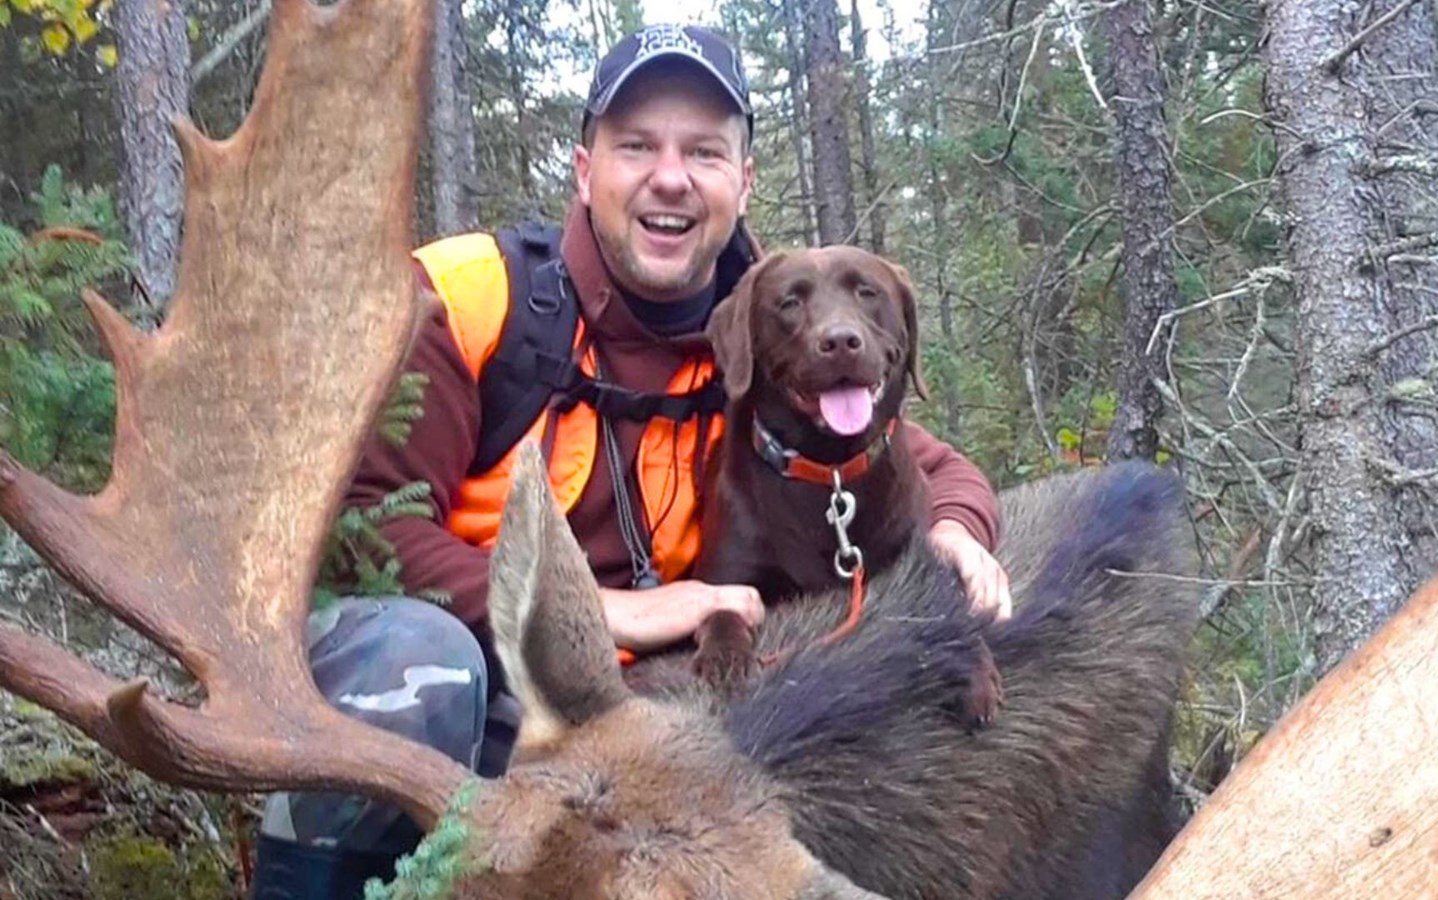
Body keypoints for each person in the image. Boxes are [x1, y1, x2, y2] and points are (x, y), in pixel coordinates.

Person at [248, 23, 1011, 899]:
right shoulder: (472, 297)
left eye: (704, 152)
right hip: (473, 675)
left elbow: (913, 458)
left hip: (634, 715)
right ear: (584, 170)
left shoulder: (767, 329)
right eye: (637, 145)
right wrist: (616, 612)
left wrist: (959, 528)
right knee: (413, 666)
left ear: (741, 181)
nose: (671, 176)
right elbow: (363, 533)